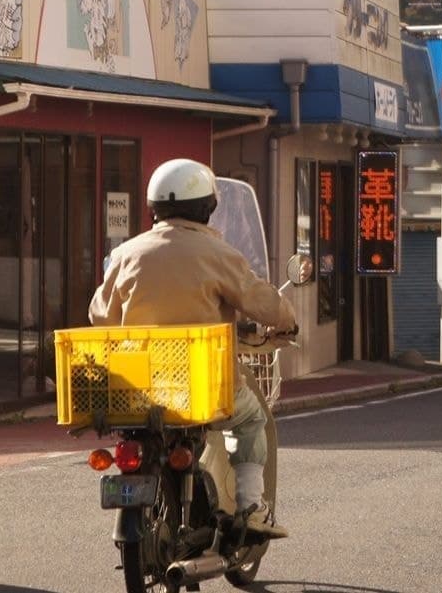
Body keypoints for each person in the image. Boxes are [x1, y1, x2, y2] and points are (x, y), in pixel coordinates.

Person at [89, 158, 298, 540]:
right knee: (251, 420)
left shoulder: (126, 254)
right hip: (202, 385)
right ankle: (251, 507)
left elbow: (100, 317)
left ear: (154, 207)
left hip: (137, 387)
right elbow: (263, 302)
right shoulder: (217, 253)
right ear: (207, 207)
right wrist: (287, 321)